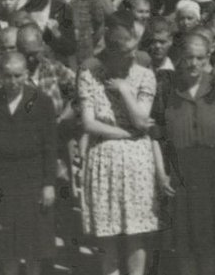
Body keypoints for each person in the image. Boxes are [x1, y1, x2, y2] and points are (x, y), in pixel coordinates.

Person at [150, 32, 215, 275]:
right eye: (189, 57)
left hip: (212, 171)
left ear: (208, 56)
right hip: (179, 171)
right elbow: (156, 134)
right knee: (184, 245)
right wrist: (160, 172)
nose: (194, 64)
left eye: (200, 57)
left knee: (209, 244)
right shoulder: (167, 87)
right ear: (180, 57)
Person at [77, 24, 158, 275]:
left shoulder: (145, 75)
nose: (133, 55)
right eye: (125, 50)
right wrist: (125, 134)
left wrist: (124, 90)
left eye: (135, 48)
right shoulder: (89, 73)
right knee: (107, 235)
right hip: (103, 158)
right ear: (111, 50)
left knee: (136, 234)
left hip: (137, 164)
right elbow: (89, 123)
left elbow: (142, 121)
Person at [0, 51, 57, 275]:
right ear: (0, 75)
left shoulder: (41, 101)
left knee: (33, 248)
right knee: (6, 248)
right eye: (8, 76)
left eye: (17, 76)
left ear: (26, 74)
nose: (12, 82)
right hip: (2, 182)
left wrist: (48, 183)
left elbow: (50, 146)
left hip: (32, 181)